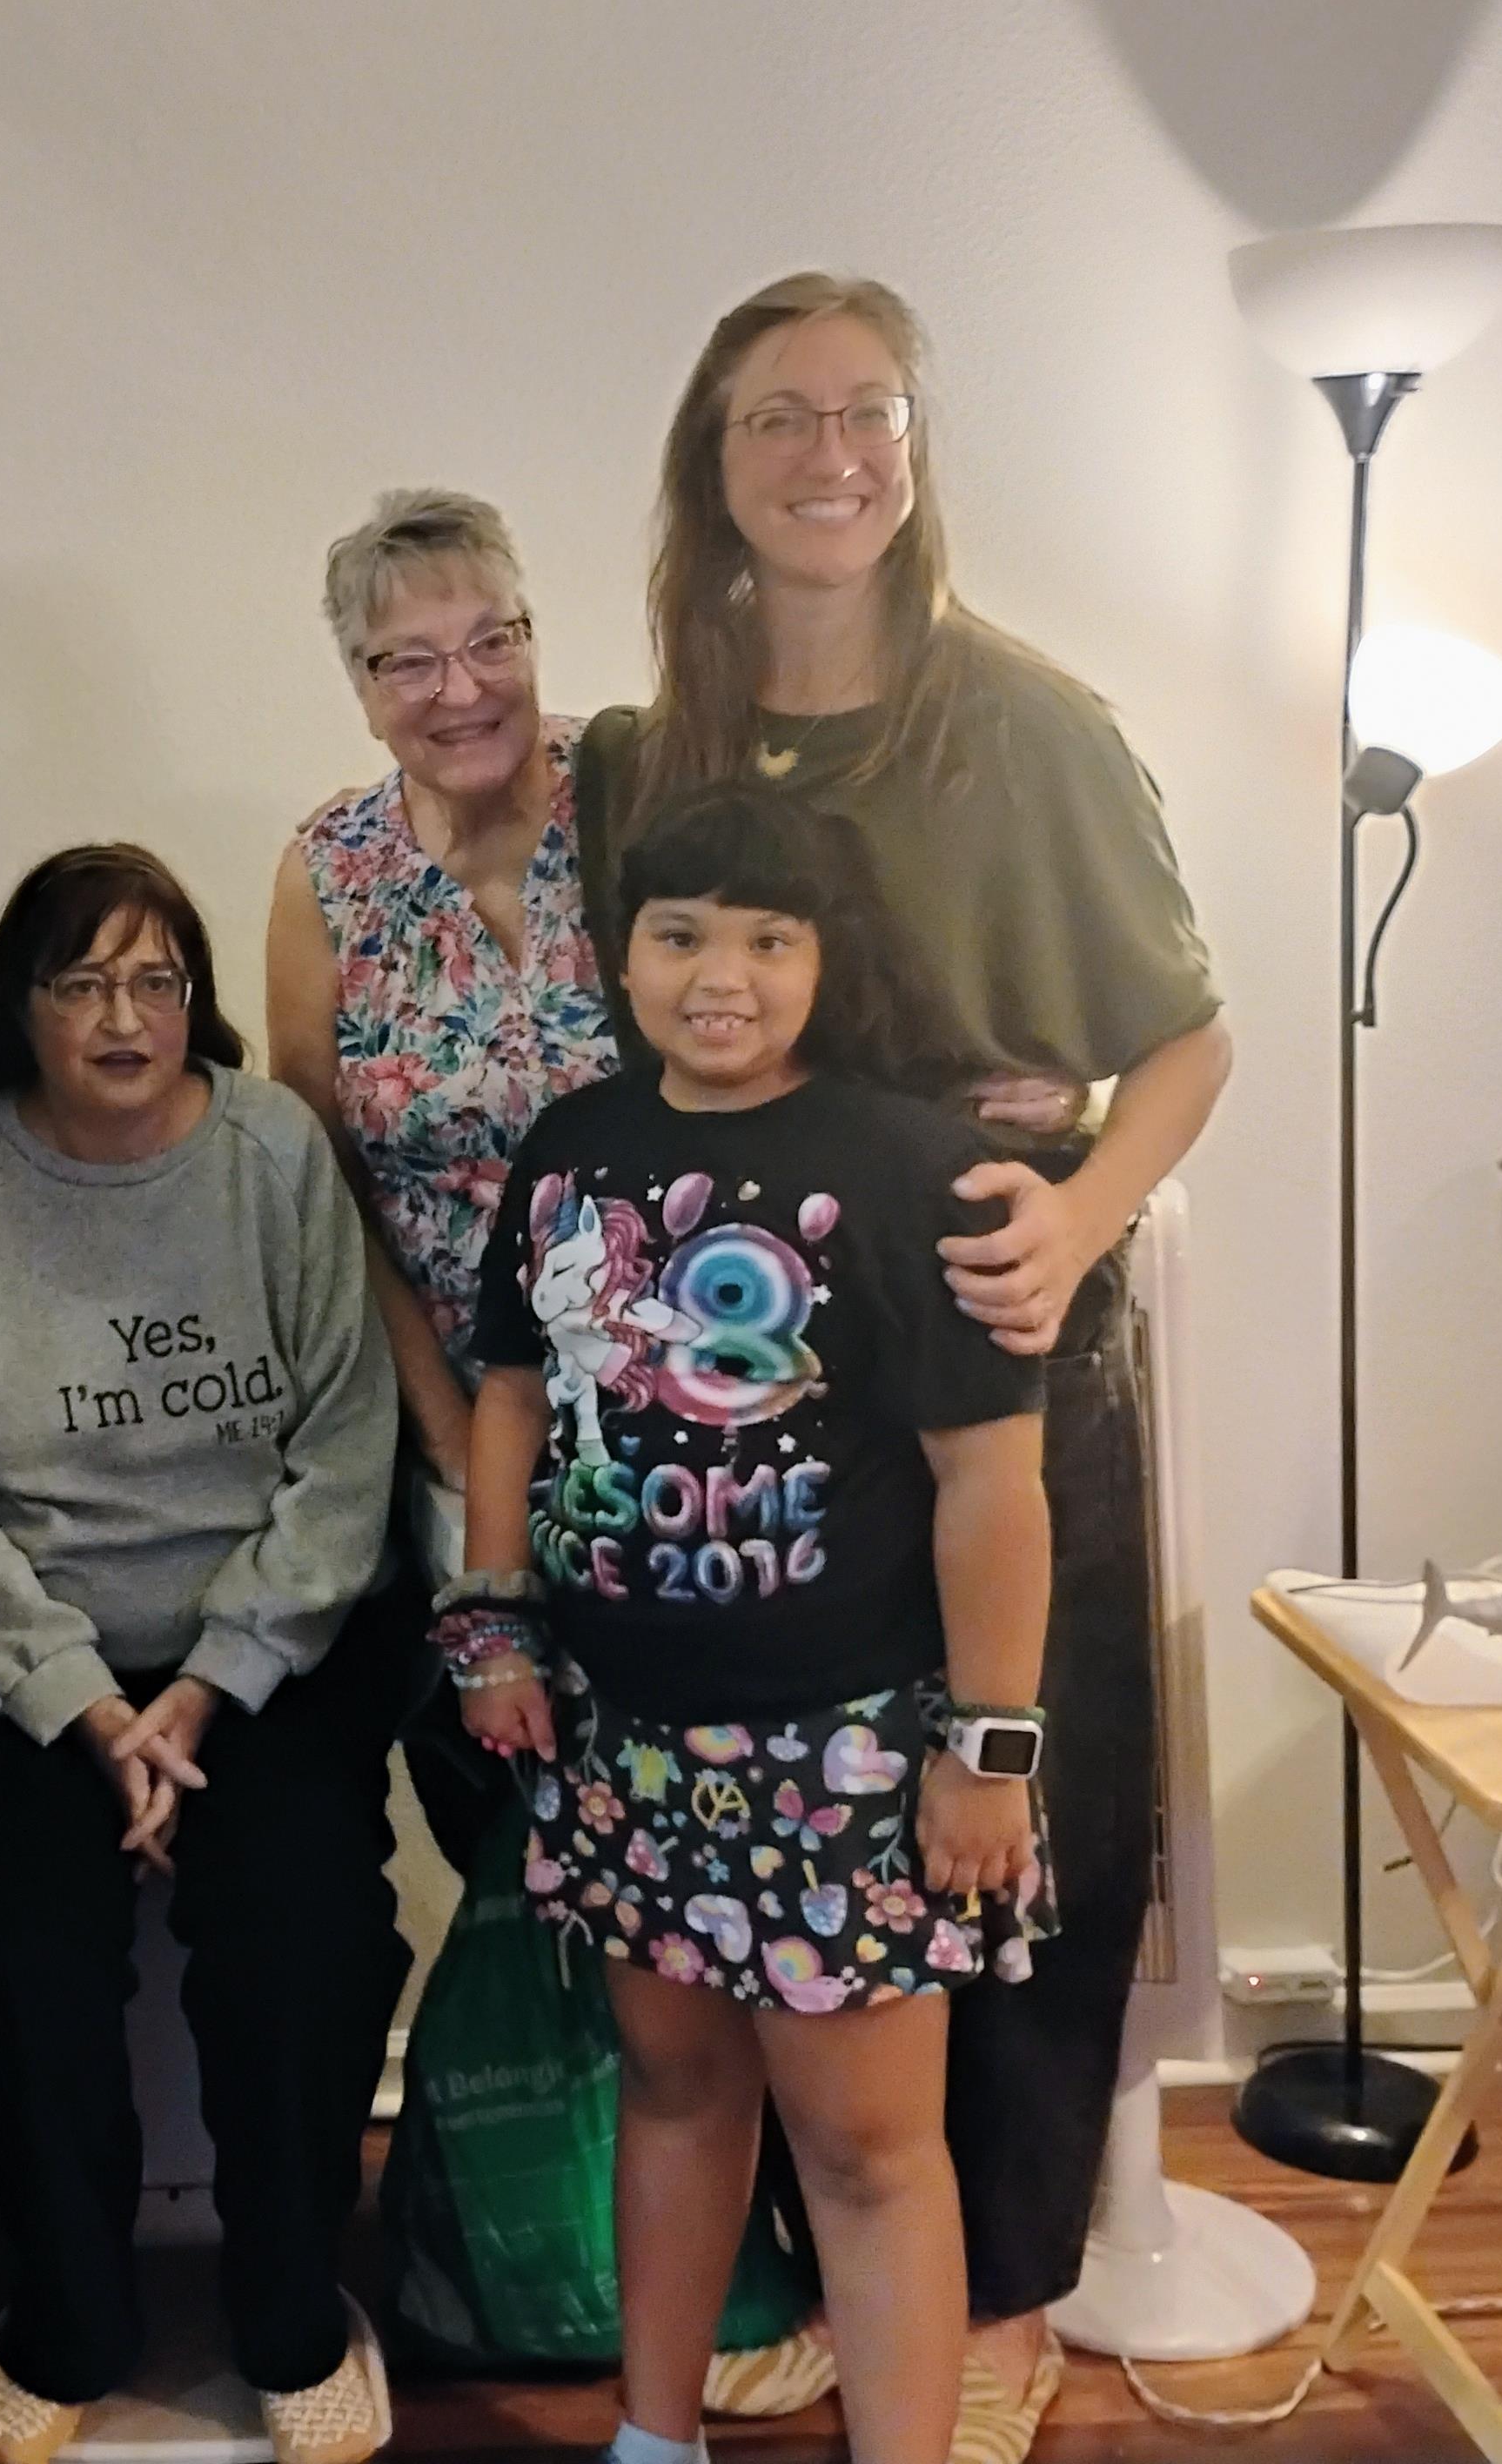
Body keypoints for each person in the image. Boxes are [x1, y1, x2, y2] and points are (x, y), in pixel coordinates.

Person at [576, 272, 1231, 2457]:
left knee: (1005, 1832)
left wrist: (1080, 1210)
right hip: (734, 1405)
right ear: (712, 458)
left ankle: (1003, 2297)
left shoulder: (1024, 722)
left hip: (991, 1355)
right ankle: (808, 2289)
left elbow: (1185, 1037)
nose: (830, 453)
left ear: (920, 459)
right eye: (780, 416)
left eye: (871, 415)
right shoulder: (641, 741)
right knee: (749, 1918)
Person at [440, 788, 1054, 2464]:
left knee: (865, 2150)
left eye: (770, 937)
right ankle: (658, 2436)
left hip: (847, 1748)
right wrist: (492, 1625)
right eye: (684, 932)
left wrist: (987, 1747)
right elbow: (511, 1387)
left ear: (825, 959)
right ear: (621, 955)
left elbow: (993, 1482)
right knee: (673, 2091)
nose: (724, 973)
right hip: (620, 1727)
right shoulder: (572, 1148)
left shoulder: (906, 1164)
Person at [0, 845, 404, 2464]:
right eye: (83, 981)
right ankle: (65, 2314)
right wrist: (84, 1705)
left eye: (156, 979)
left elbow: (343, 1446)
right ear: (20, 1003)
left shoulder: (273, 1153)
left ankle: (297, 2313)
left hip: (264, 1658)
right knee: (9, 1966)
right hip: (31, 1660)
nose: (124, 1015)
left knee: (302, 1936)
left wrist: (210, 1685)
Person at [264, 488, 617, 1872]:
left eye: (492, 640)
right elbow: (323, 1177)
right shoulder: (330, 874)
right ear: (361, 688)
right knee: (512, 1819)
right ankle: (560, 2095)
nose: (460, 689)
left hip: (685, 1413)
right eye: (408, 659)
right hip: (454, 1403)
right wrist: (445, 1426)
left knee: (690, 1817)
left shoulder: (635, 798)